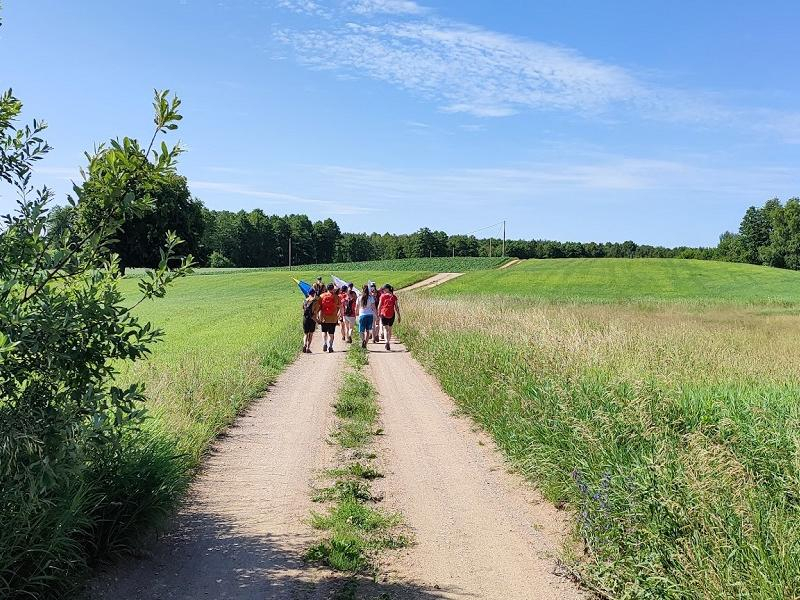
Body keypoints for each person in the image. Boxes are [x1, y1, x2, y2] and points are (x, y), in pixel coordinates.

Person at [317, 283, 341, 353]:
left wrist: (318, 317)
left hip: (324, 318)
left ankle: (325, 343)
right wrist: (339, 316)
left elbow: (318, 308)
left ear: (327, 288)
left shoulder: (321, 296)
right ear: (333, 289)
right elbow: (340, 307)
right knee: (331, 334)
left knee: (324, 332)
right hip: (333, 318)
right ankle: (330, 346)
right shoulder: (336, 297)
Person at [377, 284, 400, 351]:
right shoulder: (393, 296)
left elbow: (379, 305)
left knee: (385, 329)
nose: (383, 290)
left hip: (384, 314)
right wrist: (399, 315)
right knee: (389, 329)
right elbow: (396, 307)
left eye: (384, 289)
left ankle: (386, 342)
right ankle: (388, 341)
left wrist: (378, 313)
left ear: (387, 289)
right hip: (392, 314)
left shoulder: (382, 296)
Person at [357, 283, 377, 349]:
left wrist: (356, 313)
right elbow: (374, 307)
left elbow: (357, 307)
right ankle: (366, 342)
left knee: (361, 331)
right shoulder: (371, 298)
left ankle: (363, 340)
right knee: (368, 331)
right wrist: (376, 315)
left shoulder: (359, 297)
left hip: (362, 315)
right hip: (369, 315)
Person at [301, 288, 319, 353]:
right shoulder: (315, 301)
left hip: (305, 319)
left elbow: (303, 309)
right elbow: (315, 312)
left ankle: (304, 344)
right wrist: (317, 321)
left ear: (308, 293)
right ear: (314, 293)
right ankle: (308, 348)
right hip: (312, 319)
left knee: (305, 334)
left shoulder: (304, 301)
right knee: (311, 334)